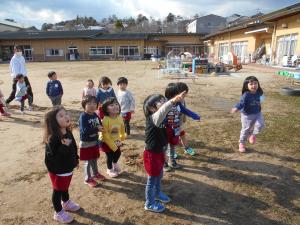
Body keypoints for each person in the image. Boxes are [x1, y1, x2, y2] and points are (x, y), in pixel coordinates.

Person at [143, 91, 185, 213]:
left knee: (159, 175)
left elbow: (165, 137)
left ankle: (157, 194)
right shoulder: (154, 118)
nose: (164, 102)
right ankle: (149, 203)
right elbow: (163, 110)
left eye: (164, 100)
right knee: (152, 179)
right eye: (160, 101)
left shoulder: (162, 119)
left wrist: (165, 154)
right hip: (151, 154)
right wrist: (172, 101)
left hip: (160, 152)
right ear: (151, 108)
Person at [44, 106, 80, 224]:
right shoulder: (53, 138)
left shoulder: (68, 132)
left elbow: (73, 146)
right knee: (58, 190)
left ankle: (66, 202)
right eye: (61, 116)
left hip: (68, 167)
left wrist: (76, 159)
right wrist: (63, 147)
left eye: (66, 114)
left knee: (65, 187)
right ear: (53, 122)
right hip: (58, 170)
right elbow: (51, 157)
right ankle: (58, 212)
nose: (66, 117)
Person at [164, 83, 200, 172]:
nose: (180, 96)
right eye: (178, 94)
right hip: (165, 129)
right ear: (171, 94)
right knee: (164, 148)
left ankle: (172, 161)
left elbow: (186, 111)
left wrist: (195, 116)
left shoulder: (179, 104)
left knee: (172, 146)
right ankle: (164, 164)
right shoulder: (166, 104)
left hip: (175, 129)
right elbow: (160, 115)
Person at [231, 76, 265, 153]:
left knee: (260, 125)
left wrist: (260, 101)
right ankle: (242, 143)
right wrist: (236, 108)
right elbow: (241, 103)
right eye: (251, 84)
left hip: (257, 113)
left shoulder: (259, 93)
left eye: (255, 83)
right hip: (247, 115)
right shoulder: (246, 94)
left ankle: (252, 135)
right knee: (246, 129)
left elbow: (261, 100)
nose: (254, 85)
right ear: (247, 85)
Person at [79, 96, 105, 188]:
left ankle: (95, 174)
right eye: (89, 104)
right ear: (84, 105)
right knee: (88, 162)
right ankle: (87, 178)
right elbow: (84, 130)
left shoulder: (95, 115)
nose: (92, 106)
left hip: (94, 141)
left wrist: (101, 127)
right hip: (86, 143)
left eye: (94, 103)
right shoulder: (83, 116)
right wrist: (96, 128)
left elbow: (99, 124)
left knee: (94, 159)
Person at [100, 97, 126, 178]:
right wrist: (112, 145)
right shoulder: (106, 119)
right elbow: (105, 134)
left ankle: (115, 163)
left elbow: (122, 128)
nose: (115, 106)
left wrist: (122, 137)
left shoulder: (119, 117)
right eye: (111, 105)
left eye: (116, 104)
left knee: (118, 153)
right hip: (105, 141)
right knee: (109, 155)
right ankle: (109, 169)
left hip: (116, 139)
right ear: (106, 109)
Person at [177, 82, 197, 156]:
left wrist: (184, 116)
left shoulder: (183, 100)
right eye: (184, 93)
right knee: (171, 138)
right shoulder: (173, 101)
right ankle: (171, 153)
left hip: (180, 122)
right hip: (173, 123)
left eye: (185, 93)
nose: (185, 95)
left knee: (182, 134)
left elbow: (184, 109)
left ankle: (186, 148)